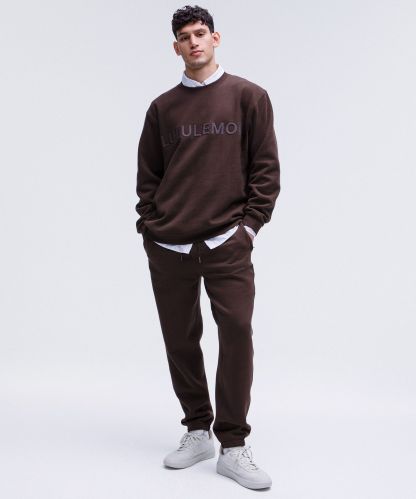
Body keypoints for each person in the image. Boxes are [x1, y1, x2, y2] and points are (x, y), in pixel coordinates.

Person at [135, 4, 280, 490]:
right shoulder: (162, 108)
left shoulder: (249, 97)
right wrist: (150, 227)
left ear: (215, 39)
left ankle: (233, 445)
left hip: (226, 242)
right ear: (175, 47)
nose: (193, 42)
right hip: (169, 245)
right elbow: (148, 176)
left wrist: (249, 228)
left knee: (236, 334)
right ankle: (198, 430)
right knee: (180, 339)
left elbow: (265, 169)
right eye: (184, 36)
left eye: (200, 33)